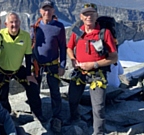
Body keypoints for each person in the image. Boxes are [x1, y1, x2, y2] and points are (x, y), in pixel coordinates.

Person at [66, 3, 117, 135]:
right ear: (81, 16)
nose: (89, 17)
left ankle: (98, 132)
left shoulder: (104, 33)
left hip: (97, 73)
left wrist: (94, 64)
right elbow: (69, 47)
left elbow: (113, 58)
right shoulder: (78, 31)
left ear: (96, 16)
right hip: (79, 72)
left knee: (98, 106)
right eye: (86, 14)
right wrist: (73, 59)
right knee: (72, 98)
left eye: (91, 14)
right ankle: (75, 119)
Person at [0, 12, 46, 122]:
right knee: (3, 94)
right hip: (1, 70)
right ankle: (6, 116)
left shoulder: (25, 36)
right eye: (11, 22)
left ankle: (37, 112)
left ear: (20, 22)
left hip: (17, 69)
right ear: (6, 24)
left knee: (32, 86)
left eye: (16, 22)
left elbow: (28, 56)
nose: (14, 24)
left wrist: (28, 74)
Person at [30, 0, 67, 133]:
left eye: (49, 9)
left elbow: (63, 47)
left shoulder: (59, 27)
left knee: (55, 91)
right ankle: (37, 114)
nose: (47, 12)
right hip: (37, 65)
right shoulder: (35, 27)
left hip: (52, 65)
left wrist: (62, 65)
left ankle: (57, 118)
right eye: (44, 9)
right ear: (40, 11)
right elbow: (31, 46)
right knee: (35, 90)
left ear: (53, 11)